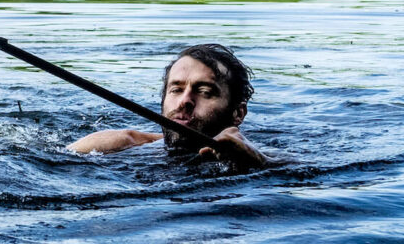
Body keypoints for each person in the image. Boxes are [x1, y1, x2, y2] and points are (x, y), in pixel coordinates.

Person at [67, 43, 266, 169]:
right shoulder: (121, 145)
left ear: (238, 113)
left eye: (204, 92)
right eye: (176, 90)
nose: (184, 101)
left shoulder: (264, 158)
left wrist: (259, 163)